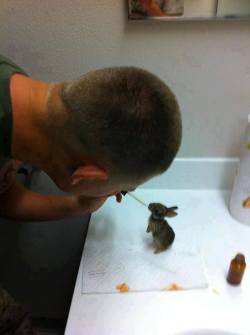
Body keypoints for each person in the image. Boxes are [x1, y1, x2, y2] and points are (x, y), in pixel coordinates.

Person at [0, 54, 182, 333]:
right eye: (122, 188)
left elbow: (4, 197)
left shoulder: (20, 95)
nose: (120, 193)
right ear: (88, 175)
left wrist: (79, 204)